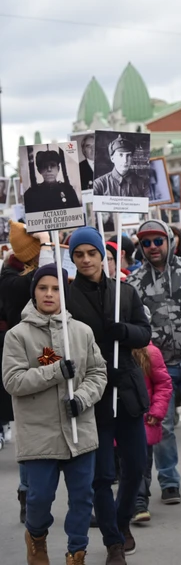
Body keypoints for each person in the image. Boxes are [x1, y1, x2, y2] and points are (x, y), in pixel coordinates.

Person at [3, 263, 106, 565]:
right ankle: (36, 537)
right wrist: (55, 371)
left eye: (56, 288)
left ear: (65, 293)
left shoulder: (82, 331)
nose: (49, 294)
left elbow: (98, 373)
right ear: (34, 291)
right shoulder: (17, 336)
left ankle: (77, 552)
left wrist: (83, 399)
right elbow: (13, 381)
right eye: (42, 288)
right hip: (40, 434)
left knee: (82, 498)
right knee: (39, 499)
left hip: (79, 429)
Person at [68, 227, 153, 559]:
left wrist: (126, 331)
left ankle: (121, 520)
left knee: (134, 466)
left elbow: (145, 333)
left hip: (127, 393)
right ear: (73, 258)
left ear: (103, 256)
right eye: (79, 254)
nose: (86, 259)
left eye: (92, 253)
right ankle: (112, 541)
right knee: (102, 474)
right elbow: (50, 348)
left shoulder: (125, 293)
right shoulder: (66, 297)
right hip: (93, 398)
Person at [127, 220, 181, 508]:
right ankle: (169, 480)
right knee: (160, 424)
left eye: (157, 240)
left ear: (169, 241)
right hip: (156, 365)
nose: (152, 247)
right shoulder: (134, 282)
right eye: (146, 242)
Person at [0, 225, 51, 525]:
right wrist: (46, 250)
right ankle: (26, 492)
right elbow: (34, 285)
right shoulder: (10, 279)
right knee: (29, 431)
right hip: (26, 357)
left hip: (50, 350)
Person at [132, 343, 172, 525]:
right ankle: (129, 500)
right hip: (117, 418)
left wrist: (156, 411)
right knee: (122, 466)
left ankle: (140, 501)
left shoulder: (150, 353)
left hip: (144, 418)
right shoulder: (108, 348)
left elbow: (163, 384)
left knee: (141, 463)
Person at [23, 149, 82, 213]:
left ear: (58, 169)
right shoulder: (31, 194)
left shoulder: (68, 190)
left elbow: (76, 215)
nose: (49, 169)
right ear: (39, 170)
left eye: (53, 165)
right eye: (45, 166)